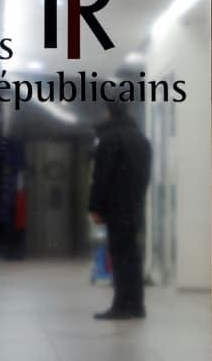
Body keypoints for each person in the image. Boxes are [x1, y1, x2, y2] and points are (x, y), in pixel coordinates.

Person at [89, 101, 151, 319]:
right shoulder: (142, 140)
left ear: (109, 113)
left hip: (115, 207)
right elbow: (145, 177)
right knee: (132, 256)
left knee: (119, 256)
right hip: (134, 205)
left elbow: (101, 178)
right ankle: (136, 305)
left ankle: (121, 306)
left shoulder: (108, 140)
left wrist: (95, 207)